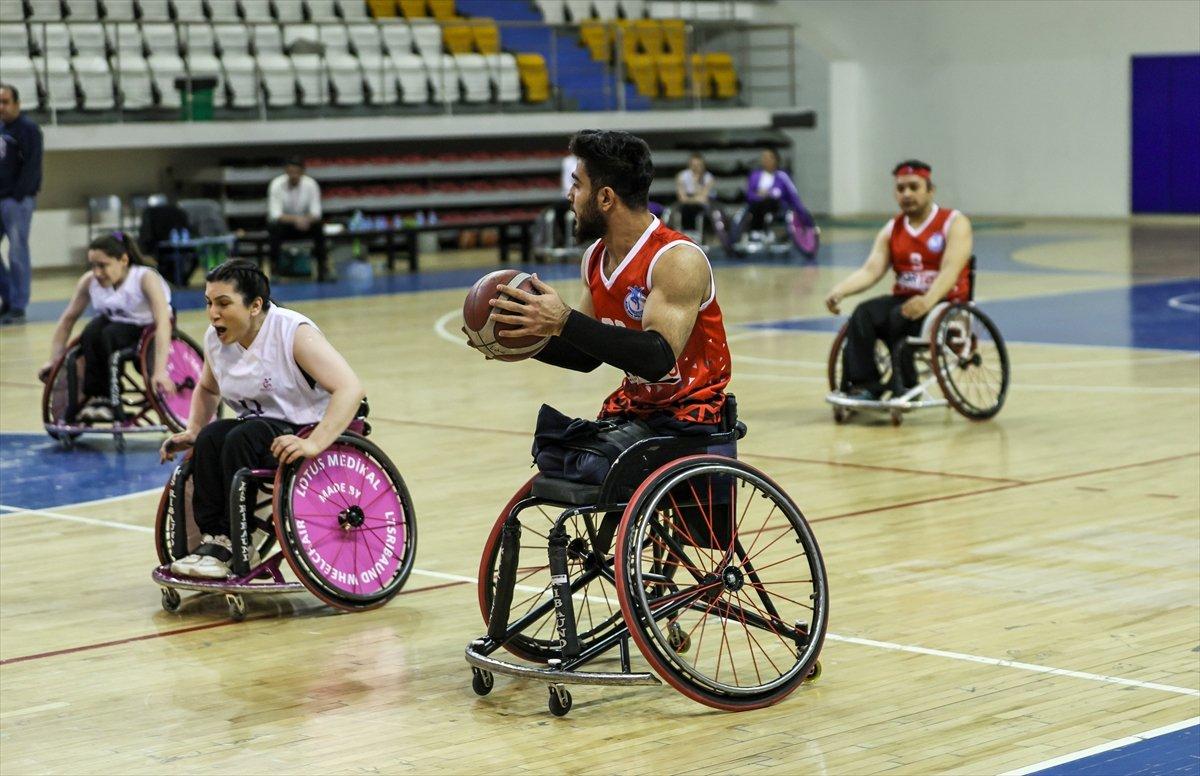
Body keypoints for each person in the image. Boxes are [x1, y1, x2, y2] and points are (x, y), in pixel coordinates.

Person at [469, 129, 732, 456]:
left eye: (577, 184)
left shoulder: (676, 259)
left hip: (693, 417)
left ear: (606, 198)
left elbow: (657, 358)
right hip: (638, 411)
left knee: (593, 462)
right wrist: (518, 336)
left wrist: (563, 320)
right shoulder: (595, 258)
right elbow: (586, 356)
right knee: (556, 450)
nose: (569, 195)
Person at [160, 260, 365, 578]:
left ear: (255, 305)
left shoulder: (292, 332)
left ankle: (239, 542)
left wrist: (314, 443)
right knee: (212, 437)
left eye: (223, 303)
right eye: (209, 303)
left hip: (309, 426)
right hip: (261, 428)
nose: (213, 313)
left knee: (244, 435)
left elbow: (350, 388)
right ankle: (216, 539)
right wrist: (193, 430)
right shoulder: (217, 339)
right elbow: (206, 388)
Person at [824, 159, 973, 400]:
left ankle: (905, 382)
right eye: (901, 188)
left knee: (899, 316)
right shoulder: (892, 228)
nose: (907, 194)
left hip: (943, 301)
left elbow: (951, 270)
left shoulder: (954, 223)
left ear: (930, 189)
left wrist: (927, 300)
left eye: (914, 187)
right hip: (905, 298)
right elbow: (871, 270)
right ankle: (865, 385)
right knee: (864, 313)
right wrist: (840, 290)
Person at [38, 232, 175, 423]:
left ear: (123, 260)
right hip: (116, 325)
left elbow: (162, 322)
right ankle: (96, 398)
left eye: (103, 265)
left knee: (107, 335)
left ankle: (108, 399)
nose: (97, 272)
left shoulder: (144, 278)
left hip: (149, 327)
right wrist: (54, 361)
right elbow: (67, 321)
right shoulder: (89, 282)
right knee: (91, 332)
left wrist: (160, 371)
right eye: (93, 266)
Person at [0, 83, 44, 326]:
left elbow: (32, 165)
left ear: (17, 104)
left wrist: (18, 194)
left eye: (5, 102)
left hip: (16, 201)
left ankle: (18, 306)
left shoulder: (28, 129)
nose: (1, 107)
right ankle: (7, 297)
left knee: (17, 252)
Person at [267, 157, 330, 282]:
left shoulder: (311, 184)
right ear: (286, 172)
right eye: (291, 172)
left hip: (306, 224)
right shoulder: (276, 185)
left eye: (296, 172)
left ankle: (323, 268)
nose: (293, 176)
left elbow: (316, 212)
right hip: (285, 226)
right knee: (273, 228)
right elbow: (275, 214)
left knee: (319, 227)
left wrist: (305, 220)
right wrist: (297, 220)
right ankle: (274, 269)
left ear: (302, 172)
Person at [740, 148, 804, 236]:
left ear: (776, 160)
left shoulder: (782, 176)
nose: (765, 160)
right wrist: (758, 196)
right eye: (763, 157)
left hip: (777, 206)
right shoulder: (754, 175)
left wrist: (802, 213)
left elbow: (792, 195)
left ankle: (763, 229)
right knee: (758, 204)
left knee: (768, 202)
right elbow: (749, 195)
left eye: (768, 157)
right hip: (756, 205)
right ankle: (756, 232)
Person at [674, 152, 715, 235]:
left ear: (703, 166)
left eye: (699, 165)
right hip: (685, 207)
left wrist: (696, 182)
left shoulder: (709, 178)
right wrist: (696, 198)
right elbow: (682, 198)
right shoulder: (682, 176)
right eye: (694, 165)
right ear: (690, 165)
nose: (696, 168)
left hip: (702, 208)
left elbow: (704, 199)